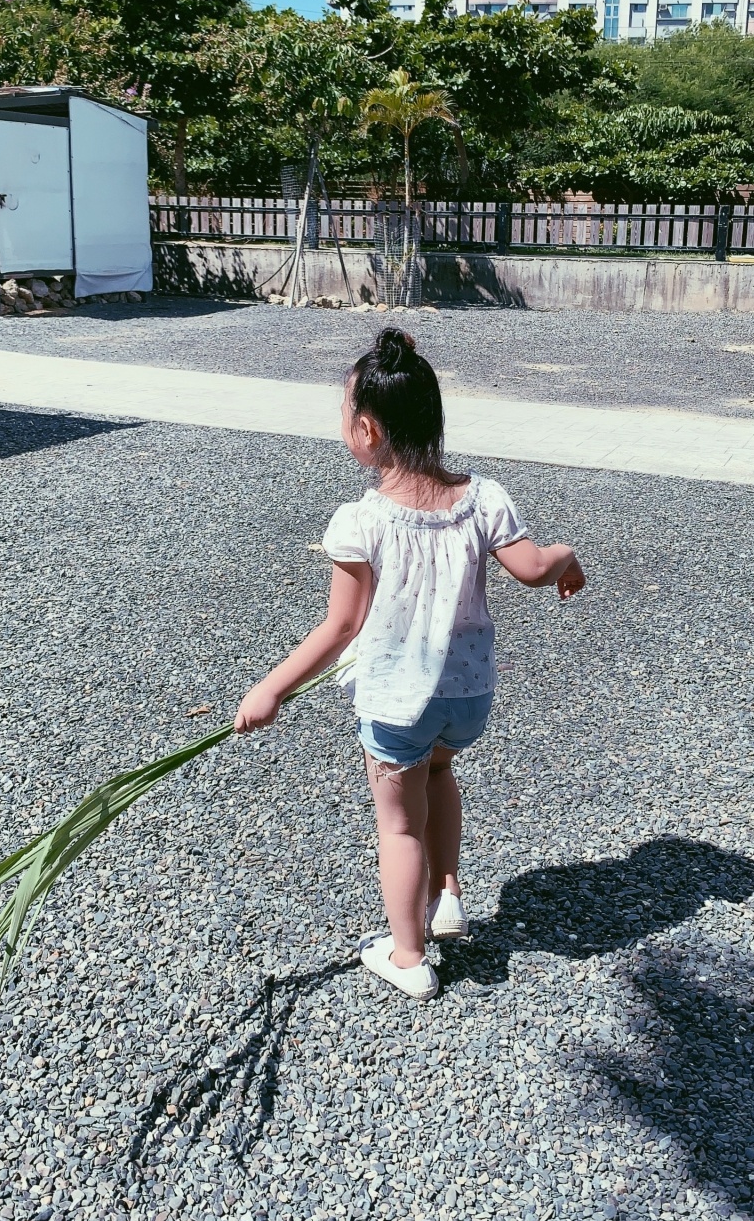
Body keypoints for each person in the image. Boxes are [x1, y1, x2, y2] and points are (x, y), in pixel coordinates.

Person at [234, 328, 584, 1001]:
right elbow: (536, 569)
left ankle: (409, 955)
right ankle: (447, 893)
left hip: (399, 703)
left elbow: (340, 627)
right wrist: (568, 558)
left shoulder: (361, 521)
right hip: (467, 698)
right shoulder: (484, 498)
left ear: (366, 429)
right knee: (442, 772)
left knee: (398, 823)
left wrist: (271, 689)